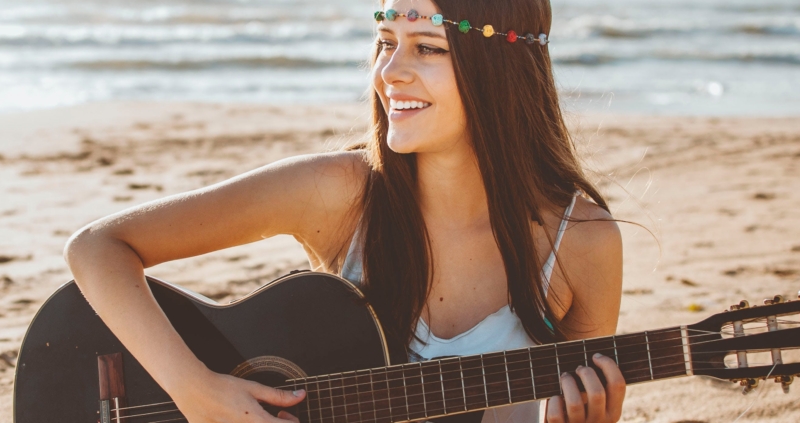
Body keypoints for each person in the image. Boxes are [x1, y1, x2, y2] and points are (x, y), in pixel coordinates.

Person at [64, 0, 625, 422]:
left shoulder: (580, 242)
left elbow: (575, 400)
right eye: (386, 41)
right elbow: (96, 248)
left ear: (501, 68)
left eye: (427, 47)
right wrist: (196, 391)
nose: (390, 72)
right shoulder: (340, 192)